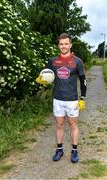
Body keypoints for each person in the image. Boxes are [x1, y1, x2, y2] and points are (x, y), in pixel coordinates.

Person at [36, 33, 86, 163]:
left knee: (73, 124)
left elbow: (83, 80)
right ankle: (59, 149)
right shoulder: (53, 61)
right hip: (58, 99)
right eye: (61, 44)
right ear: (59, 45)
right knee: (59, 125)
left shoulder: (77, 61)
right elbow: (46, 76)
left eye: (66, 44)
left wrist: (83, 98)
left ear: (70, 44)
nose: (64, 46)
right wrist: (41, 80)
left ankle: (74, 151)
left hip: (72, 100)